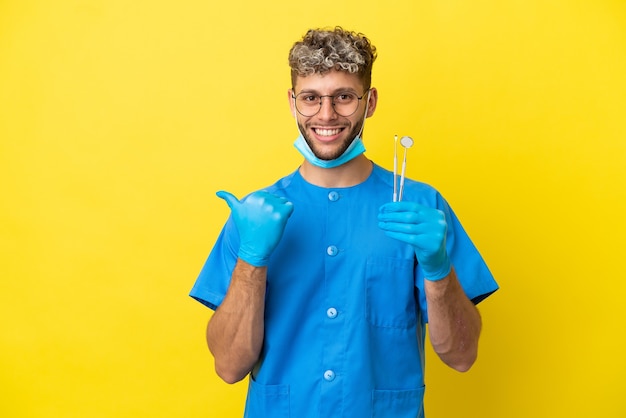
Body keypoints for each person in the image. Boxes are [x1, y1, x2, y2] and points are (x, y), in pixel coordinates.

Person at [190, 26, 498, 418]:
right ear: (292, 101)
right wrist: (251, 260)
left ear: (369, 102)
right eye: (311, 98)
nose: (326, 114)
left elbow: (462, 355)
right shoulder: (255, 215)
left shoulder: (420, 207)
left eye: (344, 97)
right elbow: (229, 367)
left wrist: (438, 271)